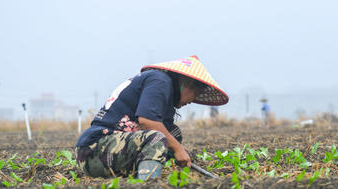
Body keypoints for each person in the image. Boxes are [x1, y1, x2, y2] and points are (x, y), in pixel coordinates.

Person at [74, 55, 228, 180]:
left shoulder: (162, 87)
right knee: (158, 138)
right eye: (196, 94)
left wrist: (176, 148)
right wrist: (178, 149)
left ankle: (135, 177)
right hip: (94, 149)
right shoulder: (160, 81)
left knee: (172, 135)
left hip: (112, 151)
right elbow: (147, 122)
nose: (191, 101)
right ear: (188, 84)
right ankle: (148, 187)